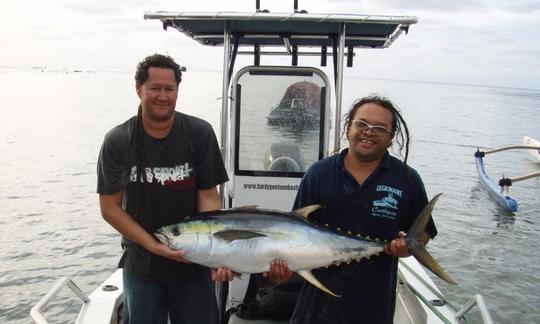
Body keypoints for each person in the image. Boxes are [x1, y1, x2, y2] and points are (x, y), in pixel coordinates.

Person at [97, 53, 232, 324]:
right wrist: (154, 246)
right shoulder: (119, 140)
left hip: (194, 264)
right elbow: (110, 208)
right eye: (155, 88)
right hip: (142, 266)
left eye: (169, 89)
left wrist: (219, 254)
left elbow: (208, 196)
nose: (162, 96)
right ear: (139, 89)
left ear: (177, 91)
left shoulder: (199, 133)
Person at [281, 95, 438, 323]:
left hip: (373, 308)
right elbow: (295, 232)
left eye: (379, 128)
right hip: (315, 308)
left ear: (391, 137)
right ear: (348, 128)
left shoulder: (407, 179)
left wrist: (409, 247)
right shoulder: (318, 174)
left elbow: (425, 233)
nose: (368, 132)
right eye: (361, 124)